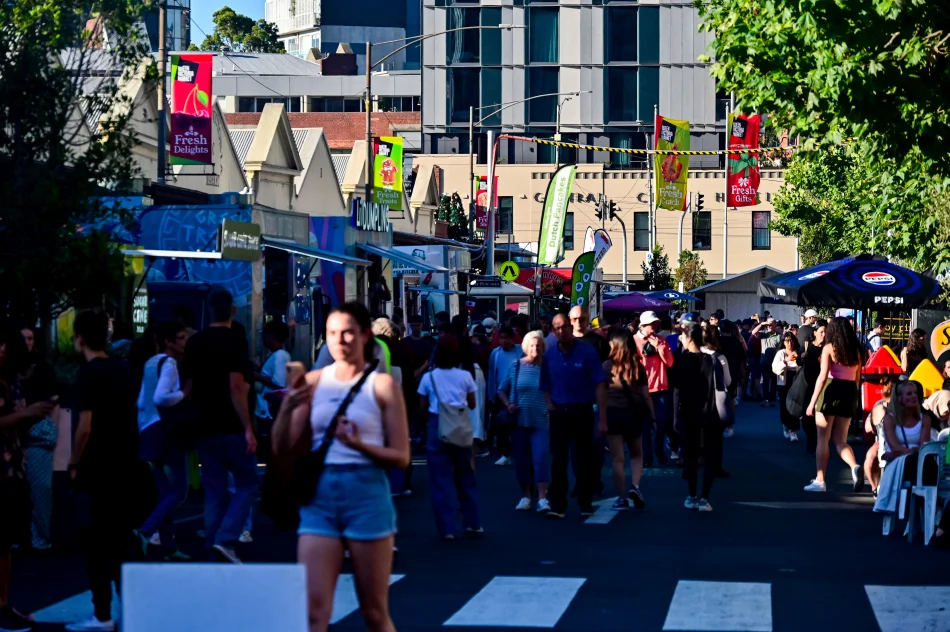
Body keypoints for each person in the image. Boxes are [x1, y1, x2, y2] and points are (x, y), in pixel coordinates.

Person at [272, 302, 409, 632]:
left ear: (364, 335)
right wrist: (289, 407)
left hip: (367, 493)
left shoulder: (383, 385)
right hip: (320, 496)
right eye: (332, 333)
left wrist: (358, 444)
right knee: (313, 612)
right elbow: (281, 447)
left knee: (374, 612)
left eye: (347, 332)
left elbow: (402, 456)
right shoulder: (314, 381)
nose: (339, 340)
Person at [66, 311, 141, 632]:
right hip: (125, 464)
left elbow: (85, 427)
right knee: (122, 541)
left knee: (96, 543)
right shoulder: (123, 369)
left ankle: (101, 613)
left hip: (97, 468)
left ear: (80, 338)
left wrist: (73, 463)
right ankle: (134, 610)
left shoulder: (87, 374)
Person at [181, 289, 259, 563]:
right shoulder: (235, 340)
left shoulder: (194, 343)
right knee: (248, 482)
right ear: (233, 311)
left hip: (203, 424)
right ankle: (226, 539)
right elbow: (237, 387)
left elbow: (187, 388)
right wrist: (248, 427)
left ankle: (214, 545)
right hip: (231, 423)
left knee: (213, 489)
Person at [0, 325, 56, 632]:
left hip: (13, 466)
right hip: (9, 465)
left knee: (6, 542)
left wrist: (39, 420)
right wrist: (26, 415)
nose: (4, 350)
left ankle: (4, 604)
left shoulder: (18, 377)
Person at [540, 313, 607, 520]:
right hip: (559, 412)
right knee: (558, 459)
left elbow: (599, 385)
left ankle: (585, 501)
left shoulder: (587, 352)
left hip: (583, 410)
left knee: (584, 459)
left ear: (571, 327)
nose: (561, 331)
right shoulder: (550, 354)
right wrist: (549, 403)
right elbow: (545, 383)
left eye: (564, 327)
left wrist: (602, 418)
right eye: (556, 328)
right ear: (552, 331)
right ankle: (558, 505)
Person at [136, 322, 191, 561]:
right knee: (180, 491)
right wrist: (184, 395)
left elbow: (141, 401)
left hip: (147, 430)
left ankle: (168, 545)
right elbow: (160, 397)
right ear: (168, 342)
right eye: (180, 338)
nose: (184, 342)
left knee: (165, 492)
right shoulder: (169, 364)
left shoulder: (150, 362)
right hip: (164, 431)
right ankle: (145, 531)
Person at [418, 335, 481, 539]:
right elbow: (472, 403)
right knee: (465, 475)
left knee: (440, 480)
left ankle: (446, 528)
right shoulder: (464, 376)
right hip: (460, 424)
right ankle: (472, 522)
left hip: (437, 424)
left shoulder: (429, 377)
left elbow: (421, 406)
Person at [804, 317, 864, 493]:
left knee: (822, 438)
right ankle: (854, 466)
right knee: (841, 440)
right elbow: (858, 377)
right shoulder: (857, 350)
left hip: (831, 388)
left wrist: (812, 403)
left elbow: (822, 377)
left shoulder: (829, 348)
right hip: (849, 391)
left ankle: (820, 480)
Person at [497, 331, 551, 512]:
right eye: (532, 345)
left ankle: (543, 497)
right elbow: (501, 389)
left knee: (541, 457)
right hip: (519, 421)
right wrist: (508, 404)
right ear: (526, 347)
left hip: (542, 420)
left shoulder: (548, 367)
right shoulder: (516, 366)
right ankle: (526, 495)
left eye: (538, 345)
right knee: (521, 461)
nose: (535, 348)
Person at [602, 329, 654, 511]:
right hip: (633, 414)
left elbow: (599, 393)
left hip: (612, 413)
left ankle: (621, 496)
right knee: (636, 454)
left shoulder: (606, 367)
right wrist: (653, 417)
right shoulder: (637, 367)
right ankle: (636, 486)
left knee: (617, 459)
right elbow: (646, 396)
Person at [672, 323, 721, 512]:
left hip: (688, 413)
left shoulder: (683, 360)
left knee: (691, 456)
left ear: (689, 339)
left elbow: (677, 391)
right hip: (710, 413)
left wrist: (675, 416)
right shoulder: (711, 360)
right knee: (709, 457)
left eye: (683, 337)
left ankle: (692, 495)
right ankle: (705, 498)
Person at [18, 325, 58, 551]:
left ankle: (40, 536)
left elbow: (54, 402)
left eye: (30, 338)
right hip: (16, 432)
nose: (27, 343)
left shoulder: (43, 369)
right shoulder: (12, 369)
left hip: (37, 433)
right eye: (23, 339)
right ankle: (24, 535)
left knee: (41, 488)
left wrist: (52, 432)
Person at [632, 311, 675, 467]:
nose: (655, 326)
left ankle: (659, 450)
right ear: (642, 325)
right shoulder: (634, 341)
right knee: (644, 426)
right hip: (642, 390)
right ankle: (647, 457)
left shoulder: (662, 340)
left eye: (656, 323)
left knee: (662, 423)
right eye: (652, 324)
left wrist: (659, 347)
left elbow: (670, 363)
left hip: (661, 389)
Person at [880, 381, 931, 486]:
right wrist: (913, 451)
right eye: (909, 394)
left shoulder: (925, 419)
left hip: (917, 462)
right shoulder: (889, 419)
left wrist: (901, 452)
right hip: (896, 463)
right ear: (899, 399)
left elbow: (923, 448)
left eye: (915, 393)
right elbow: (895, 448)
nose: (914, 396)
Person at [486, 326, 524, 466]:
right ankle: (504, 453)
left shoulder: (520, 351)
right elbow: (491, 375)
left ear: (511, 337)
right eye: (501, 338)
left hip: (518, 393)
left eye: (506, 337)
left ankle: (517, 452)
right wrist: (491, 394)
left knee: (517, 424)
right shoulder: (495, 354)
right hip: (500, 394)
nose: (503, 341)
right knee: (501, 424)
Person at [254, 320, 291, 425]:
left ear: (271, 336)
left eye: (264, 335)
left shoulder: (280, 355)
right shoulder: (276, 354)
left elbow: (279, 383)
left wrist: (257, 376)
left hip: (268, 411)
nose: (263, 339)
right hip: (265, 410)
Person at [863, 380, 895, 496]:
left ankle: (876, 486)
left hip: (897, 442)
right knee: (871, 456)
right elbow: (868, 427)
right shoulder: (880, 405)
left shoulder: (906, 406)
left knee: (871, 457)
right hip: (883, 440)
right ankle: (875, 488)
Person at [772, 332, 802, 442]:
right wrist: (785, 361)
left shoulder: (798, 352)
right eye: (787, 340)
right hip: (784, 381)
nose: (789, 343)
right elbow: (775, 367)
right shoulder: (781, 353)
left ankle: (793, 429)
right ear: (783, 342)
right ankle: (786, 425)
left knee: (795, 404)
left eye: (791, 340)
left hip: (796, 380)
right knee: (784, 404)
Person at [752, 318, 782, 407]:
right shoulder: (763, 334)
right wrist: (762, 324)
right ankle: (765, 398)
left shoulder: (779, 336)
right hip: (764, 361)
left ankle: (772, 398)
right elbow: (753, 333)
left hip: (775, 362)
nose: (770, 326)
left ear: (775, 325)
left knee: (773, 380)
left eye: (772, 324)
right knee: (765, 380)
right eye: (768, 325)